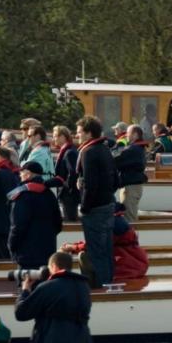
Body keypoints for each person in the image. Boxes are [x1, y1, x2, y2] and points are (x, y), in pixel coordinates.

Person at [14, 250, 104, 343]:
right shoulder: (83, 287)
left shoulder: (48, 287)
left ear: (54, 266)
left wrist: (25, 291)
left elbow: (21, 313)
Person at [76, 115, 117, 289]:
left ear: (88, 133)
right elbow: (115, 179)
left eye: (79, 132)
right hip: (108, 204)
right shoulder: (104, 149)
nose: (77, 135)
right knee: (106, 250)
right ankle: (110, 284)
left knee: (96, 252)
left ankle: (103, 288)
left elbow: (90, 185)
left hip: (95, 209)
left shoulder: (89, 152)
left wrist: (84, 207)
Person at [62, 208, 149, 285]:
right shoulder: (117, 220)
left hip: (124, 268)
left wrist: (71, 247)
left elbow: (95, 244)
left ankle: (90, 287)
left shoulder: (109, 224)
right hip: (137, 264)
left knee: (85, 256)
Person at [8, 161, 63, 269]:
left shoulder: (22, 195)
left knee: (27, 283)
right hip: (47, 250)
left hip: (26, 253)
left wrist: (11, 245)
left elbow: (18, 225)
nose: (20, 175)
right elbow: (58, 223)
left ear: (28, 174)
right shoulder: (49, 194)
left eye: (21, 172)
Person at [114, 133, 148, 223]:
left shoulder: (133, 149)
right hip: (132, 185)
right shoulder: (138, 148)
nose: (126, 136)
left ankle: (131, 236)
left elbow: (117, 159)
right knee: (130, 214)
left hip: (131, 187)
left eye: (128, 133)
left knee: (129, 218)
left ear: (135, 135)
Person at [51, 125, 80, 222]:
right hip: (68, 193)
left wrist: (65, 187)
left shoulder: (69, 152)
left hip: (69, 195)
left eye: (55, 136)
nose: (53, 138)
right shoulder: (67, 150)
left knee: (70, 220)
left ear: (63, 137)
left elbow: (72, 173)